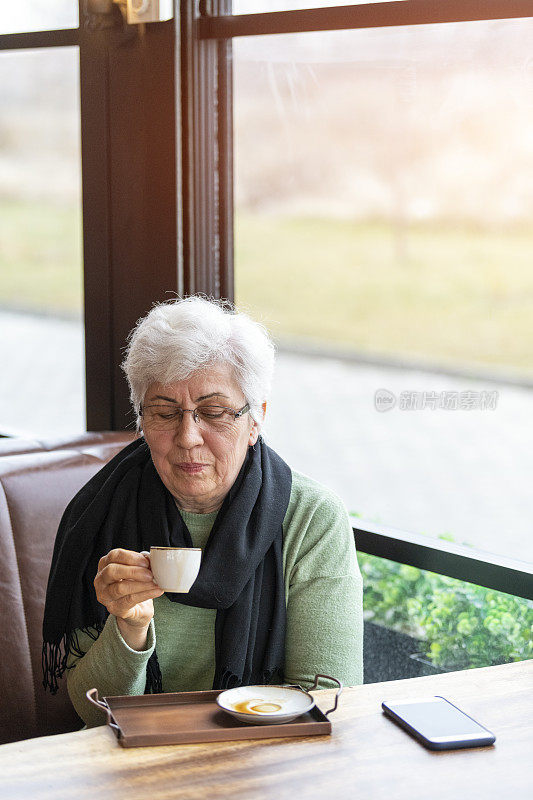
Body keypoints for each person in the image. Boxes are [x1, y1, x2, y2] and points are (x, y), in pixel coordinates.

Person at [42, 296, 363, 727]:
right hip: (129, 765)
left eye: (213, 412)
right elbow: (90, 711)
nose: (189, 436)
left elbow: (328, 696)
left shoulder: (310, 518)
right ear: (141, 420)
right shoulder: (102, 512)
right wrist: (129, 629)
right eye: (164, 412)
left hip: (266, 764)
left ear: (256, 420)